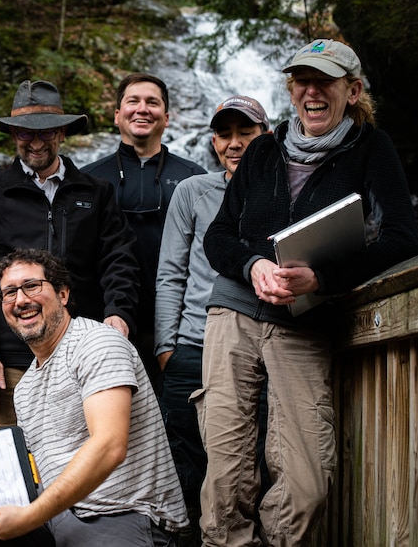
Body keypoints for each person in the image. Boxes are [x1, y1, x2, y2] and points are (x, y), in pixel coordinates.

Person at [199, 39, 418, 546]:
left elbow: (403, 237)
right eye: (302, 80)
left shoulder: (372, 149)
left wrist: (324, 278)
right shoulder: (262, 149)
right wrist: (253, 265)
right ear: (291, 89)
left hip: (306, 320)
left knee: (307, 479)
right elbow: (219, 236)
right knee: (225, 471)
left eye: (324, 81)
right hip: (233, 311)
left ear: (353, 90)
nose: (311, 91)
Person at [0, 248, 187, 546]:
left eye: (31, 286)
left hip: (122, 515)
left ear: (63, 294)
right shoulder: (25, 388)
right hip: (59, 519)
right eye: (9, 292)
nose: (21, 300)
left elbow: (109, 446)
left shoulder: (97, 342)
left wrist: (29, 516)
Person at [0, 80, 139, 430]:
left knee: (82, 466)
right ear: (12, 135)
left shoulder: (96, 193)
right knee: (11, 469)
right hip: (9, 363)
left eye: (46, 131)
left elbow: (119, 258)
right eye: (25, 133)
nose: (36, 142)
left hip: (83, 356)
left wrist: (118, 312)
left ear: (63, 131)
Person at [154, 95, 270, 546]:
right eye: (225, 135)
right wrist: (167, 349)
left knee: (250, 463)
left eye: (246, 133)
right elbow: (171, 273)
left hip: (255, 349)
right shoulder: (192, 192)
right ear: (214, 141)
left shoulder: (281, 195)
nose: (235, 144)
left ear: (267, 137)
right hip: (192, 348)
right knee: (187, 465)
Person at [82, 73, 206, 388]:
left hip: (179, 327)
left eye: (152, 102)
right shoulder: (87, 180)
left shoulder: (194, 178)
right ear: (116, 115)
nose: (142, 109)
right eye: (132, 101)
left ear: (167, 117)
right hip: (105, 325)